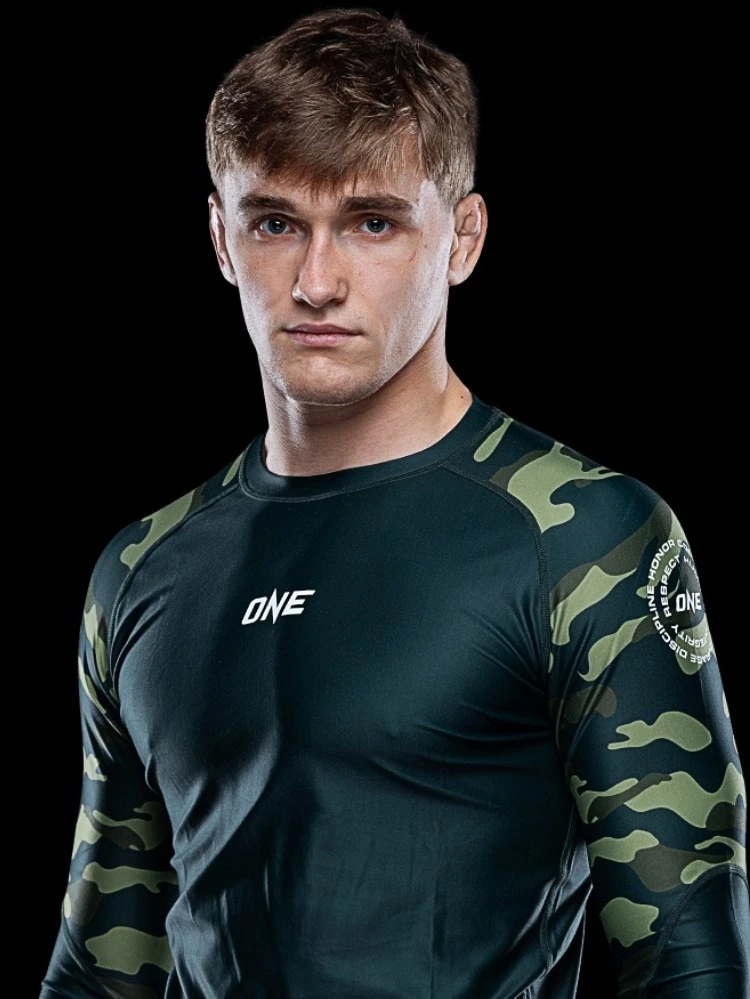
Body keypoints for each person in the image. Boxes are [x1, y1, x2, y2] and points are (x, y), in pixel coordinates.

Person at [41, 8, 748, 998]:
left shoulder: (581, 537)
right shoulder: (141, 570)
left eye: (372, 223)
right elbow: (97, 968)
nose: (316, 282)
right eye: (275, 223)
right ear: (220, 239)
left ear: (463, 238)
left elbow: (687, 958)